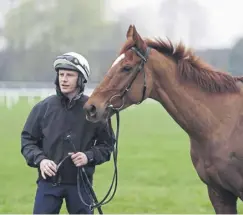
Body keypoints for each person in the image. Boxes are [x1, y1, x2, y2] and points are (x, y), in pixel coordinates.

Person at [20, 52, 114, 214]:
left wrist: (88, 156)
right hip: (48, 183)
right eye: (61, 74)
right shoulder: (43, 108)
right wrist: (41, 160)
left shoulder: (93, 109)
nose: (64, 79)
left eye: (69, 75)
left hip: (80, 184)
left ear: (81, 79)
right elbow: (28, 141)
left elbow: (107, 146)